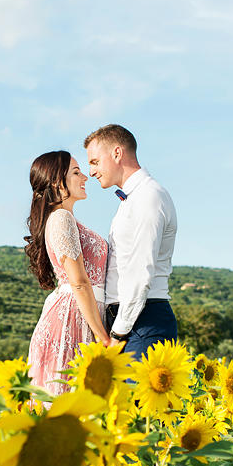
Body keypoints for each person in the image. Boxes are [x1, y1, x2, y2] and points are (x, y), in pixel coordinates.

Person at [84, 124, 178, 359]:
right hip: (129, 320)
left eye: (95, 161)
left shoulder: (148, 196)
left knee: (137, 397)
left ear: (117, 153)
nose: (91, 171)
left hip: (142, 323)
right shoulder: (131, 199)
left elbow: (140, 272)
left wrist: (118, 334)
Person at [24, 150, 112, 396]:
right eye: (75, 172)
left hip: (81, 311)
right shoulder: (61, 217)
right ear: (56, 181)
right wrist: (102, 337)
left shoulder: (64, 218)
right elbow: (80, 282)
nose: (85, 176)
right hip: (73, 316)